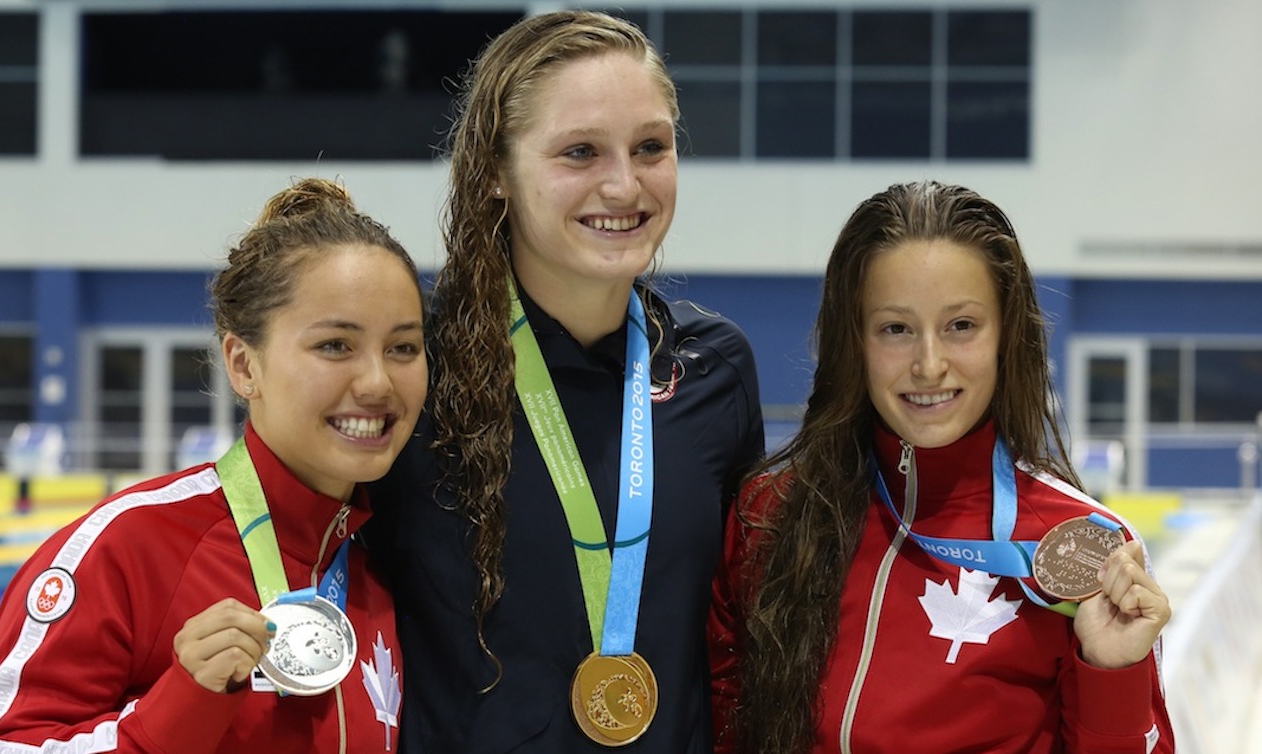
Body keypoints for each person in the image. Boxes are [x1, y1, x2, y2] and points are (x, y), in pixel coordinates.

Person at [367, 10, 765, 752]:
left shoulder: (715, 370)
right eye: (580, 151)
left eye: (651, 147)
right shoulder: (411, 363)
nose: (623, 184)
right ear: (493, 174)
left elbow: (734, 632)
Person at [0, 178, 427, 754]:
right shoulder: (133, 546)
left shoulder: (393, 563)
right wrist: (177, 709)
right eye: (335, 346)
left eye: (403, 348)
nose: (378, 382)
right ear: (243, 364)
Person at [709, 181, 1175, 753]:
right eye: (896, 329)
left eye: (961, 325)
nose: (929, 365)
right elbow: (723, 725)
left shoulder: (1081, 551)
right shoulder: (771, 515)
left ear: (1007, 335)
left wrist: (1112, 673)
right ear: (853, 341)